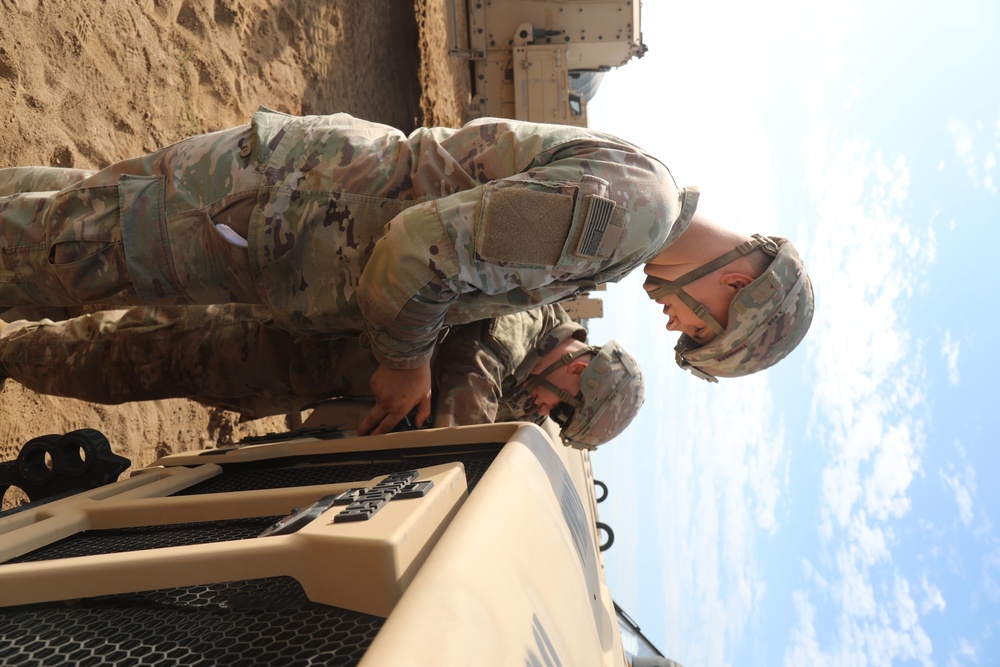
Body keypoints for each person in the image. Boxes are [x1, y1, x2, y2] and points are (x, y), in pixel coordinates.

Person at [0, 108, 813, 434]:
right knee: (55, 254)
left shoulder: (631, 223)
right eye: (699, 328)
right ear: (734, 287)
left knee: (65, 216)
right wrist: (406, 360)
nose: (678, 324)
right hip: (278, 212)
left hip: (282, 224)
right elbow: (419, 246)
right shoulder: (633, 212)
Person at [0, 302, 643, 450]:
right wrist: (460, 462)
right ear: (579, 365)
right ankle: (10, 350)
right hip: (278, 332)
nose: (543, 414)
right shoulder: (525, 317)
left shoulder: (529, 372)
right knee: (132, 355)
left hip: (284, 372)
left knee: (144, 355)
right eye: (561, 411)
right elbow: (475, 369)